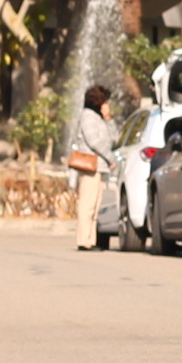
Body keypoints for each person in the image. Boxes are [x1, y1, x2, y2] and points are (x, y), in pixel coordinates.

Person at [73, 84, 120, 251]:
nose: (107, 104)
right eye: (105, 101)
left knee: (96, 204)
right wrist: (110, 158)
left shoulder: (99, 118)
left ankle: (90, 239)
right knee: (87, 203)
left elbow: (114, 139)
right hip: (90, 166)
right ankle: (83, 240)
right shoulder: (87, 117)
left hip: (100, 167)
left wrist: (109, 119)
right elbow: (94, 141)